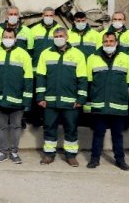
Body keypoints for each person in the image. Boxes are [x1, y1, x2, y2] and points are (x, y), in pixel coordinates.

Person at [37, 27, 87, 167]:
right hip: (50, 101)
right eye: (56, 36)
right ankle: (48, 155)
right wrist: (41, 97)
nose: (58, 38)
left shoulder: (78, 54)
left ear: (67, 37)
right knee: (49, 127)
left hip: (70, 102)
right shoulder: (45, 54)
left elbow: (82, 78)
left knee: (71, 129)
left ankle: (71, 156)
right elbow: (41, 77)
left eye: (61, 35)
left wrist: (81, 98)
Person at [86, 31, 129, 170]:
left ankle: (120, 160)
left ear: (116, 42)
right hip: (99, 104)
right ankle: (94, 159)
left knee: (117, 135)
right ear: (102, 43)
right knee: (98, 133)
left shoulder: (127, 59)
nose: (108, 44)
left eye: (111, 41)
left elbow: (128, 81)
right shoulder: (92, 58)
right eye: (106, 41)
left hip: (118, 105)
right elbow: (90, 80)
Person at [0, 29, 33, 164]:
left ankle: (14, 152)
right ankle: (2, 152)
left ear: (15, 38)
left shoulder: (23, 54)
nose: (8, 39)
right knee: (1, 127)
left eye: (10, 37)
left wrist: (27, 100)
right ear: (1, 38)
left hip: (18, 100)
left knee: (16, 127)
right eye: (5, 36)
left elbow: (28, 79)